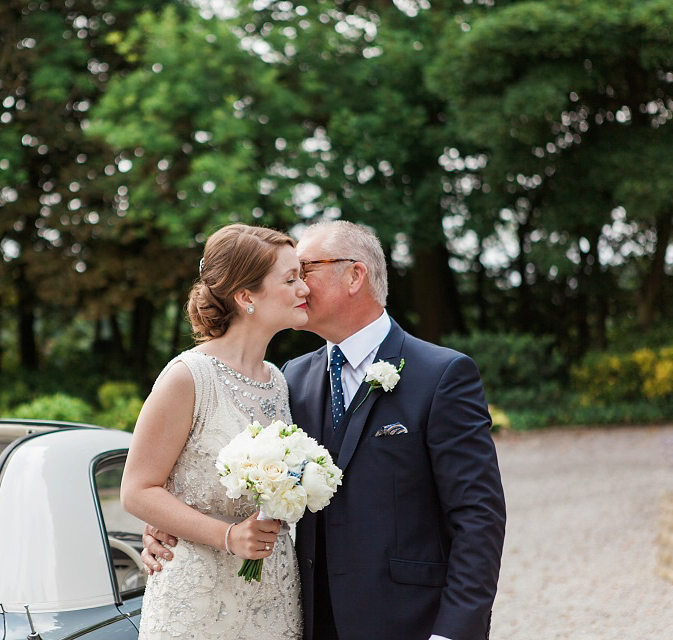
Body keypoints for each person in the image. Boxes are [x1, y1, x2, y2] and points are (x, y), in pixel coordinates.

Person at [143, 220, 505, 640]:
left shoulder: (441, 374)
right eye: (289, 276)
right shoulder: (289, 380)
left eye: (305, 270)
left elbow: (478, 516)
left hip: (409, 622)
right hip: (307, 618)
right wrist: (167, 521)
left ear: (355, 275)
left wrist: (454, 632)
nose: (298, 287)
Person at [120, 223, 308, 640]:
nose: (304, 290)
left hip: (272, 597)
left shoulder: (277, 381)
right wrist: (228, 536)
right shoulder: (188, 377)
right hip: (198, 603)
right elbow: (137, 490)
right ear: (246, 297)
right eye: (291, 279)